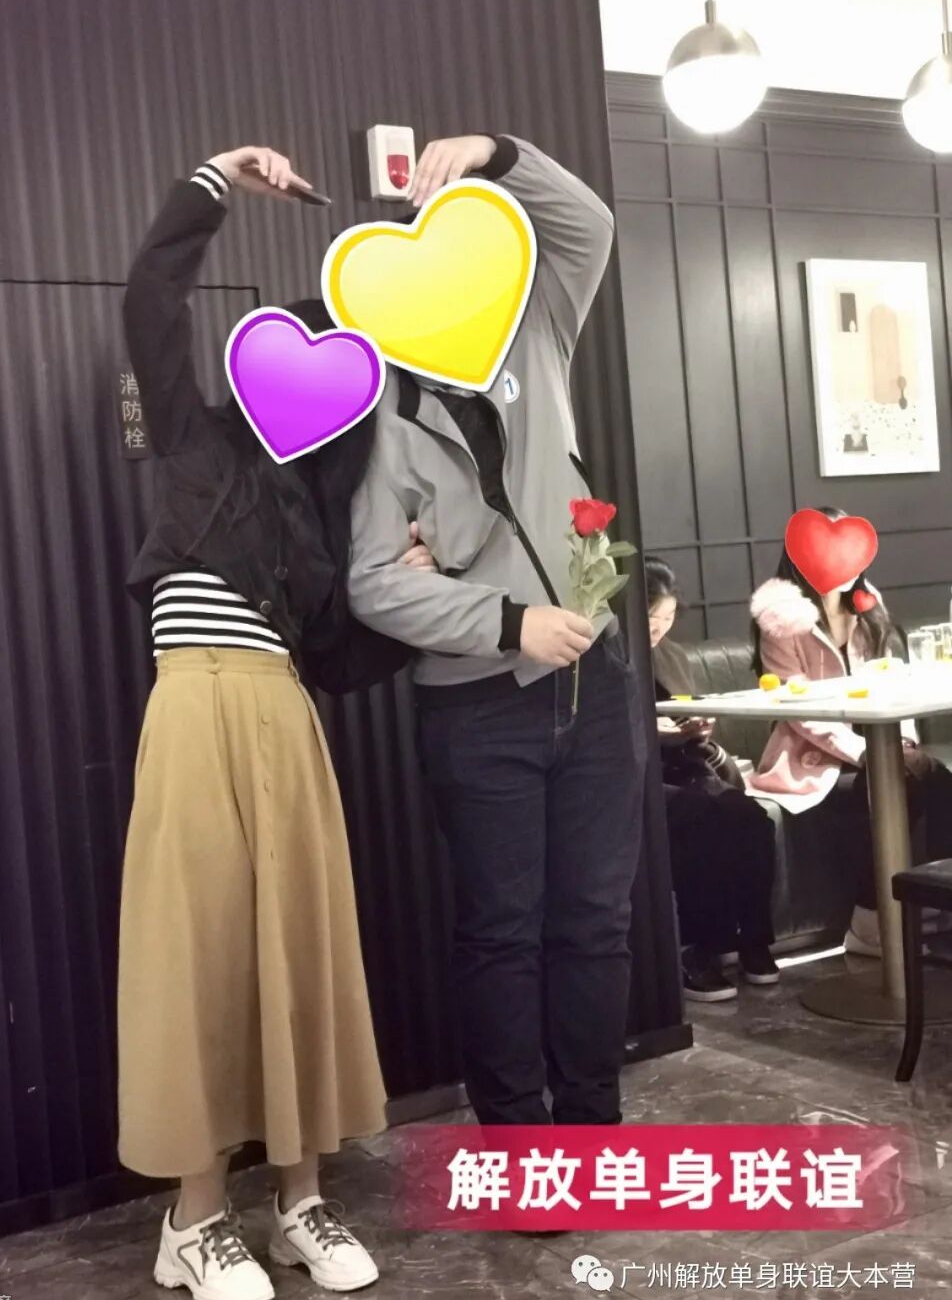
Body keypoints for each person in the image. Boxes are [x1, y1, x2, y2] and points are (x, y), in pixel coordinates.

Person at [117, 145, 435, 1300]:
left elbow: (336, 662)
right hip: (195, 707)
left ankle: (300, 1199)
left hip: (285, 720)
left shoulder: (316, 511)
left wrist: (414, 598)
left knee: (301, 953)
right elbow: (152, 296)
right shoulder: (188, 437)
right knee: (200, 956)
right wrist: (212, 178)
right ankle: (194, 1217)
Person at [347, 133, 647, 1129]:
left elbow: (588, 224)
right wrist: (509, 622)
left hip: (594, 686)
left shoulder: (537, 329)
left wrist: (495, 153)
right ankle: (521, 1144)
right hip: (476, 710)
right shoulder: (382, 413)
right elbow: (372, 583)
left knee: (596, 921)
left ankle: (591, 1127)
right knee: (503, 933)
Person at [750, 506, 952, 957]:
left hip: (881, 742)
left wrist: (903, 743)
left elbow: (894, 679)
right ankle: (869, 922)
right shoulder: (781, 620)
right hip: (813, 762)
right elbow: (798, 709)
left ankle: (938, 904)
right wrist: (864, 752)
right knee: (879, 789)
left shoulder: (867, 606)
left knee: (938, 780)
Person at [646, 559, 778, 1003]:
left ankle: (754, 941)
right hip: (640, 774)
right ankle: (699, 949)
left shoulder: (671, 655)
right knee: (701, 817)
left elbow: (688, 712)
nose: (659, 627)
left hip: (687, 765)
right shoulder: (607, 656)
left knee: (750, 816)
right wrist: (657, 734)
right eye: (650, 616)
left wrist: (698, 728)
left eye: (667, 617)